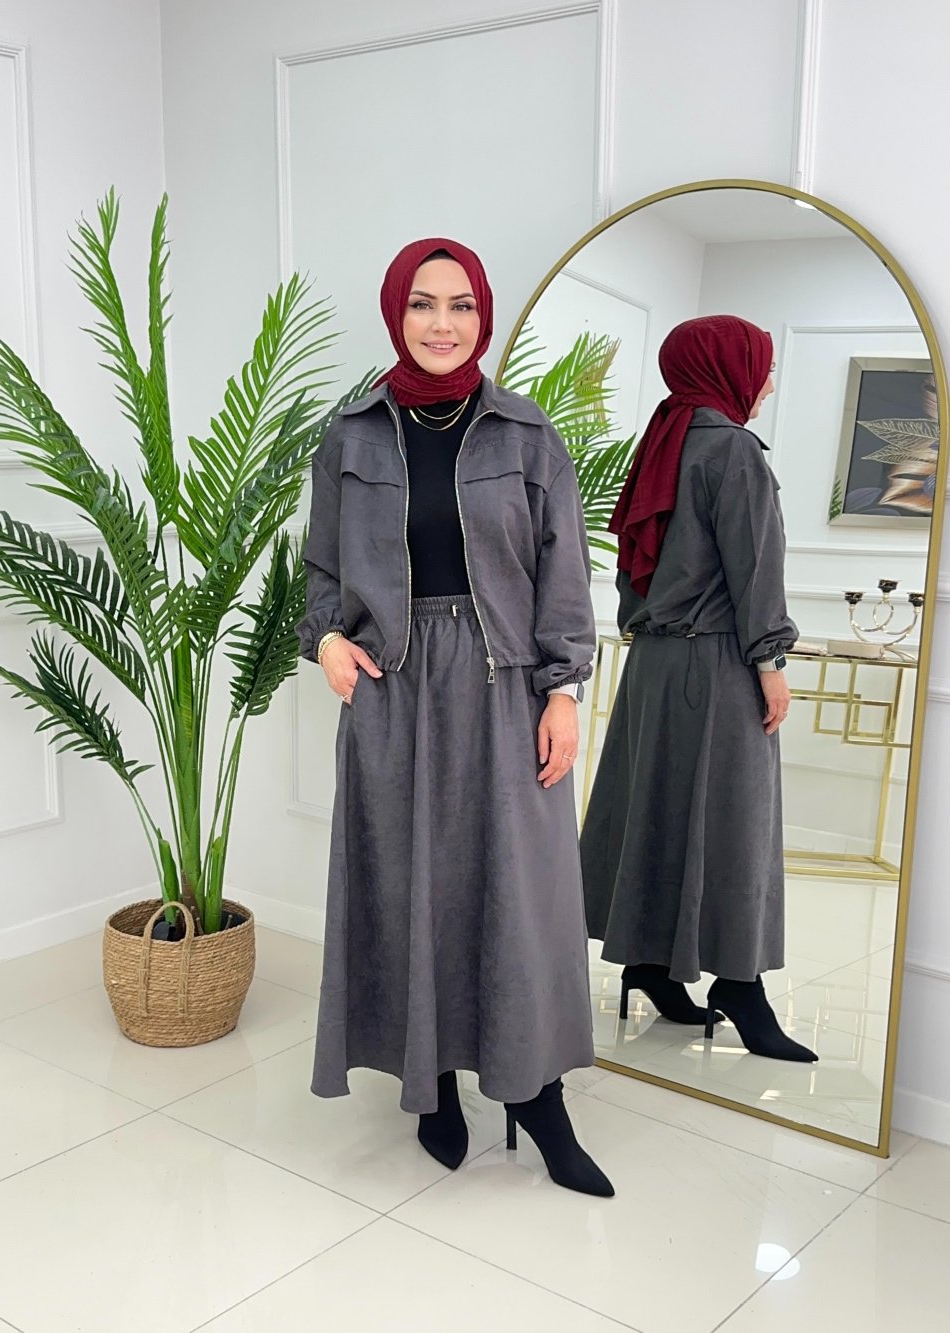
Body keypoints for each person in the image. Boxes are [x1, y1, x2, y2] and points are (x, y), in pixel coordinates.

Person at [298, 237, 614, 1196]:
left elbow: (564, 571)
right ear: (396, 313)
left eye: (462, 305)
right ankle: (431, 1080)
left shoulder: (526, 434)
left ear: (483, 315)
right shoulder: (351, 435)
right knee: (407, 885)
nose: (443, 324)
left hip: (503, 682)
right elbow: (320, 571)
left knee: (521, 891)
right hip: (392, 687)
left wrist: (562, 690)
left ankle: (537, 1094)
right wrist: (327, 641)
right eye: (423, 304)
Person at [579, 315, 817, 1064]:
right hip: (718, 665)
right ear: (727, 368)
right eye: (763, 365)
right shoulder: (733, 450)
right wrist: (770, 663)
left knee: (655, 812)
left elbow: (632, 569)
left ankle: (650, 963)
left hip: (650, 667)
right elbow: (755, 568)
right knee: (737, 825)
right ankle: (740, 984)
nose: (769, 382)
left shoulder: (663, 443)